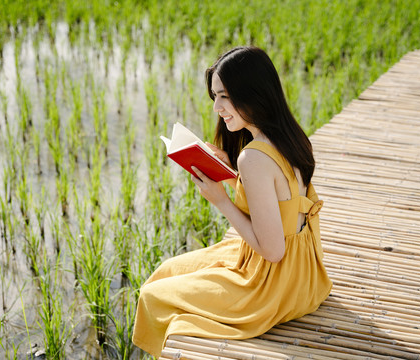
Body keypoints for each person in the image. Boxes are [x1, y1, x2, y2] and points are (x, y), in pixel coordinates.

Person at [132, 46, 332, 358]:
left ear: (253, 92)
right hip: (304, 273)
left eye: (225, 96)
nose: (217, 107)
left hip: (273, 285)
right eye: (215, 97)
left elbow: (273, 251)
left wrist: (221, 201)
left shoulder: (253, 157)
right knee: (167, 271)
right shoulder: (289, 137)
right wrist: (230, 174)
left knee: (152, 295)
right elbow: (282, 201)